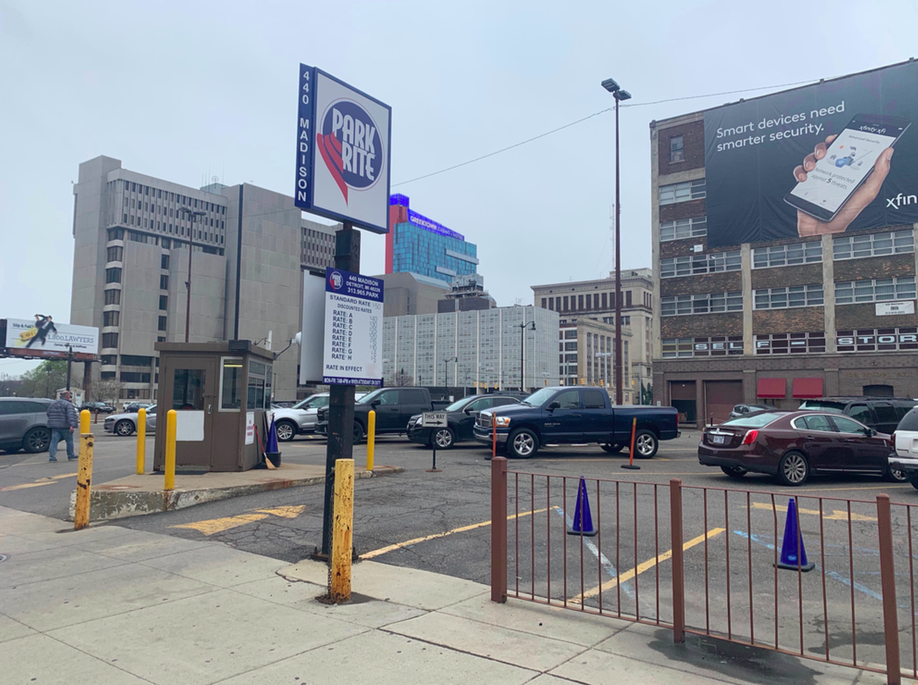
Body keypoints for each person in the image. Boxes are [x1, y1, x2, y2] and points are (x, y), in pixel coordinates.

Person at [47, 391, 80, 462]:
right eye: (69, 395)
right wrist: (72, 424)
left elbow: (48, 413)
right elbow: (70, 415)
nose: (70, 396)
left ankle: (52, 457)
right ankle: (70, 455)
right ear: (67, 396)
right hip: (65, 426)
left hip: (55, 426)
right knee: (69, 441)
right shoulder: (68, 404)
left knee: (54, 442)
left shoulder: (53, 403)